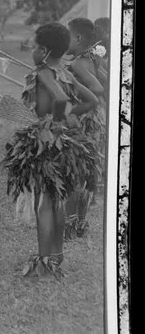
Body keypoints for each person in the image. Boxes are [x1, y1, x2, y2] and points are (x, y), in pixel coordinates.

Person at [1, 22, 101, 279]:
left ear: (44, 51)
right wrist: (69, 117)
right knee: (57, 200)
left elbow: (59, 99)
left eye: (35, 47)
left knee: (44, 202)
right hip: (65, 142)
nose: (32, 51)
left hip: (48, 141)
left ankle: (45, 262)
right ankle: (56, 257)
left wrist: (56, 122)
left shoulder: (44, 72)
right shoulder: (65, 71)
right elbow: (92, 100)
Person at [65, 18, 107, 232]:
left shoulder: (77, 63)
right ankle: (80, 221)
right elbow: (105, 80)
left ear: (78, 38)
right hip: (96, 120)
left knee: (75, 171)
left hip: (84, 120)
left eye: (66, 36)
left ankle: (71, 222)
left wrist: (74, 108)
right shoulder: (91, 58)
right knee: (86, 171)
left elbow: (98, 89)